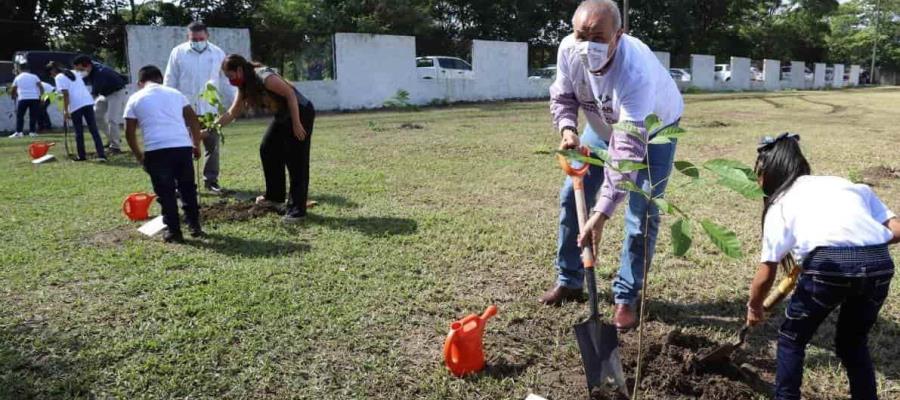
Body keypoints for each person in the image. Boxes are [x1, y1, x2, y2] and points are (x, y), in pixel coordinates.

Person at [547, 0, 684, 333]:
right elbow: (564, 96)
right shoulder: (568, 50)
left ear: (618, 36)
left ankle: (626, 296)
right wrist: (568, 128)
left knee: (642, 213)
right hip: (602, 123)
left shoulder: (634, 72)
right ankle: (570, 279)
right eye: (581, 35)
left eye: (598, 37)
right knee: (571, 196)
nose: (587, 45)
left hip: (653, 131)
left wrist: (603, 213)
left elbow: (627, 150)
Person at [745, 133, 899, 400]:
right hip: (879, 264)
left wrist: (754, 307)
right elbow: (896, 230)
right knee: (853, 343)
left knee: (792, 339)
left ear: (769, 174)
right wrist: (857, 245)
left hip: (828, 267)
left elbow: (766, 272)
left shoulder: (780, 203)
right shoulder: (845, 184)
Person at [214, 54, 315, 224]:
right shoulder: (246, 85)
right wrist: (212, 127)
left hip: (300, 112)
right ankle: (275, 197)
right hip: (283, 115)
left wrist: (297, 124)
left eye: (230, 76)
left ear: (239, 70)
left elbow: (290, 94)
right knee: (268, 148)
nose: (230, 80)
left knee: (296, 159)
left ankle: (297, 210)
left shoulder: (263, 76)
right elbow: (232, 112)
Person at [124, 65, 205, 243]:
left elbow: (129, 132)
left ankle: (174, 232)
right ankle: (195, 226)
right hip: (182, 147)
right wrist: (195, 144)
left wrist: (139, 155)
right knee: (188, 188)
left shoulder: (135, 98)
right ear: (161, 79)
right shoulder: (176, 94)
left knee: (166, 192)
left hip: (156, 150)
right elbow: (193, 120)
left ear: (140, 83)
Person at [163, 21, 234, 193]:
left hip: (209, 109)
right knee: (184, 148)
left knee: (212, 147)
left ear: (207, 36)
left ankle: (211, 181)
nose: (198, 41)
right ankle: (185, 184)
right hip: (185, 110)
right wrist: (168, 105)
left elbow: (224, 81)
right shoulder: (178, 52)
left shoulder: (217, 53)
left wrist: (233, 101)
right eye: (194, 39)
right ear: (188, 37)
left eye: (201, 38)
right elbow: (170, 79)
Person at [47, 61, 106, 161]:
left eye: (50, 73)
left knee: (79, 132)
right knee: (93, 129)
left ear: (53, 70)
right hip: (87, 102)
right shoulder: (73, 72)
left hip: (76, 105)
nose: (51, 75)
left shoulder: (59, 77)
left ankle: (81, 156)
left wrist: (65, 111)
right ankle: (101, 154)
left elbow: (65, 94)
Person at [73, 54, 127, 154]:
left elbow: (93, 94)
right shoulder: (91, 68)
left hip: (116, 93)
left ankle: (115, 146)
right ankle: (112, 139)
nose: (79, 72)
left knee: (112, 119)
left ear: (87, 65)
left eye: (80, 70)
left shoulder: (100, 73)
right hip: (105, 93)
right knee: (96, 116)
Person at [9, 64, 44, 138]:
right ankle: (32, 132)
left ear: (20, 69)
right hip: (34, 98)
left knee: (20, 116)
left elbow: (13, 89)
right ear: (28, 70)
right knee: (33, 116)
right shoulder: (34, 76)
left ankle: (19, 132)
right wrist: (41, 97)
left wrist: (13, 96)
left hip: (23, 98)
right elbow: (41, 87)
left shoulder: (18, 77)